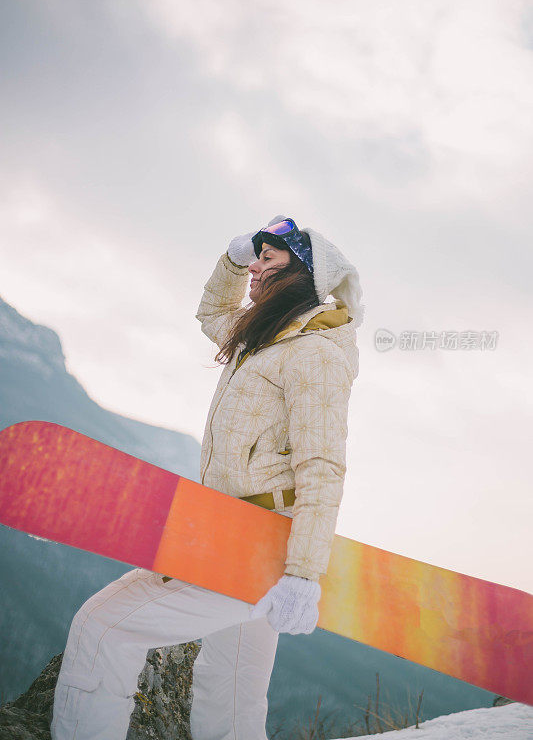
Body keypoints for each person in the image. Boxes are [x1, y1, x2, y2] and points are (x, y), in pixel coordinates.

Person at [50, 216, 364, 740]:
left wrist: (304, 575)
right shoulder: (262, 337)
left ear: (303, 276)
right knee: (232, 686)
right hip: (226, 529)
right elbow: (211, 310)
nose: (256, 269)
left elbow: (322, 467)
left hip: (254, 543)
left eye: (269, 259)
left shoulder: (315, 355)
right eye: (255, 257)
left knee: (101, 628)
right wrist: (231, 260)